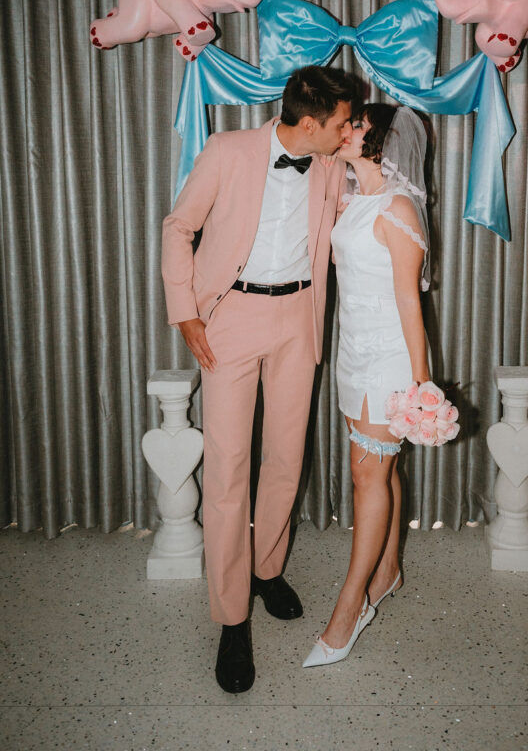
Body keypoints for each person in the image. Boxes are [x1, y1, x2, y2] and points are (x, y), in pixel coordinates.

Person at [161, 65, 357, 693]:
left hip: (299, 317)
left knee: (285, 458)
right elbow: (178, 227)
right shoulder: (228, 150)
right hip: (232, 317)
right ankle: (231, 617)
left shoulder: (332, 164)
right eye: (341, 123)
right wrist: (185, 311)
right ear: (309, 123)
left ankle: (266, 570)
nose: (347, 131)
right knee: (227, 470)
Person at [303, 102, 431, 667]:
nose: (345, 130)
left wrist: (422, 385)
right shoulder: (354, 199)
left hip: (389, 359)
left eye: (356, 125)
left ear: (380, 141)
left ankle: (350, 605)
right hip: (353, 349)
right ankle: (389, 569)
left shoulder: (398, 208)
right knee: (382, 471)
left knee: (366, 476)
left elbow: (410, 301)